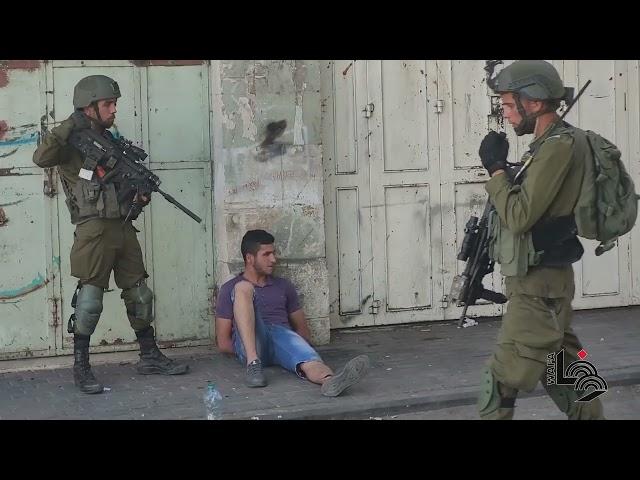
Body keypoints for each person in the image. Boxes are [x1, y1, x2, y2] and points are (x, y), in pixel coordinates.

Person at [32, 75, 188, 395]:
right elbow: (41, 157)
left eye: (114, 103)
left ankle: (149, 356)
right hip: (93, 230)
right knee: (90, 301)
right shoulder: (71, 143)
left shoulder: (111, 142)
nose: (114, 109)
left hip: (123, 226)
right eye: (108, 104)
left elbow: (121, 188)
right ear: (88, 108)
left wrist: (139, 198)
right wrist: (70, 123)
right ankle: (82, 366)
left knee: (140, 294)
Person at [476, 60, 605, 419]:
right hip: (546, 287)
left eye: (507, 105)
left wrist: (497, 169)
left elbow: (519, 217)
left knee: (499, 379)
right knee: (567, 370)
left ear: (532, 101)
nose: (506, 114)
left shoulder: (558, 147)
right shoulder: (549, 145)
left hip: (538, 291)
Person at [215, 229, 369, 396]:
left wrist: (292, 349)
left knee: (307, 357)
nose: (273, 259)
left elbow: (302, 330)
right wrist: (244, 350)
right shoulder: (229, 288)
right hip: (251, 344)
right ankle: (253, 364)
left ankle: (329, 381)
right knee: (243, 288)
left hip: (281, 337)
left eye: (273, 253)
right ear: (249, 258)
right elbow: (223, 343)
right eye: (266, 254)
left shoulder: (283, 286)